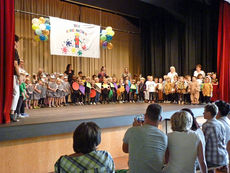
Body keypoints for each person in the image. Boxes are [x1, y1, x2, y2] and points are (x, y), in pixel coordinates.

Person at [122, 104, 167, 173]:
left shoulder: (132, 131)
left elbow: (125, 149)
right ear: (160, 118)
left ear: (145, 116)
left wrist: (135, 128)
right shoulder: (164, 137)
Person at [202, 103, 229, 170]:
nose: (203, 113)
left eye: (204, 111)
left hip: (212, 159)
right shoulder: (220, 123)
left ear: (209, 113)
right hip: (223, 156)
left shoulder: (206, 125)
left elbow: (203, 143)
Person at [10, 35, 21, 122]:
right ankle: (12, 113)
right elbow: (15, 64)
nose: (18, 44)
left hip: (9, 75)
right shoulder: (14, 51)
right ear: (15, 42)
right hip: (13, 75)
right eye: (17, 42)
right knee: (16, 93)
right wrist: (19, 76)